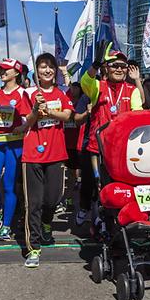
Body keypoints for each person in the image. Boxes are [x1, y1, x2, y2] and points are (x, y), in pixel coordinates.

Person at [17, 53, 74, 268]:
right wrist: (35, 109)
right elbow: (26, 122)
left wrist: (49, 111)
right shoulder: (28, 93)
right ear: (37, 71)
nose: (47, 70)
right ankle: (33, 247)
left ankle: (47, 223)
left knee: (52, 199)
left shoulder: (61, 93)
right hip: (32, 154)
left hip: (56, 154)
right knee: (34, 203)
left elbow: (67, 115)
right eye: (43, 66)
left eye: (51, 66)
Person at [78, 42, 142, 224]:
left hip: (122, 150)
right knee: (95, 184)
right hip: (97, 147)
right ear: (106, 67)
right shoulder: (98, 86)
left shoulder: (132, 90)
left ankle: (116, 220)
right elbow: (85, 82)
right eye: (114, 65)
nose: (119, 69)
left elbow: (138, 114)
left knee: (117, 186)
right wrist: (95, 65)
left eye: (123, 66)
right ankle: (87, 210)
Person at [0, 58, 27, 242]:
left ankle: (7, 226)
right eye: (0, 70)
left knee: (9, 185)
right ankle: (0, 209)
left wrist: (23, 126)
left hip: (15, 145)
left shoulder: (23, 94)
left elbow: (28, 118)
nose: (2, 73)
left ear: (16, 72)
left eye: (6, 70)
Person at [62, 81, 90, 220]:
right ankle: (69, 199)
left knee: (83, 176)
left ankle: (83, 202)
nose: (73, 90)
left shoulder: (83, 102)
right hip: (67, 143)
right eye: (72, 88)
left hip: (80, 143)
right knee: (71, 174)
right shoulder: (66, 102)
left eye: (76, 88)